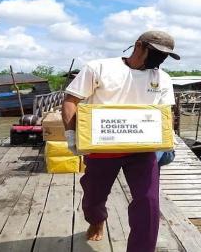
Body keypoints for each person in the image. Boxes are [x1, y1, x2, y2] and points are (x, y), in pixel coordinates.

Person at [61, 30, 179, 252]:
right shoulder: (99, 68)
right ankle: (97, 219)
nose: (160, 60)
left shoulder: (162, 78)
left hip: (143, 150)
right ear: (138, 46)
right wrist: (71, 136)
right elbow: (71, 101)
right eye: (155, 53)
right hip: (101, 148)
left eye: (165, 56)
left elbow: (165, 113)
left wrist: (168, 139)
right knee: (93, 200)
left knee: (149, 202)